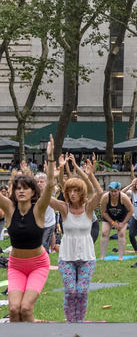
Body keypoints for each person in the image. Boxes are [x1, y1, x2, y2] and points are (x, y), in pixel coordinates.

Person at [0, 138, 59, 322]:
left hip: (38, 265)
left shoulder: (39, 210)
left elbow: (49, 185)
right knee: (14, 310)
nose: (21, 191)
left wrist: (50, 158)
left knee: (25, 309)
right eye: (18, 188)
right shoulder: (9, 209)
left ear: (33, 191)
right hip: (16, 265)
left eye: (25, 188)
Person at [59, 155, 102, 322]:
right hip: (66, 257)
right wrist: (59, 170)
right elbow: (45, 197)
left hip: (87, 258)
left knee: (82, 291)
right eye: (70, 191)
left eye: (76, 190)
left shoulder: (88, 208)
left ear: (82, 192)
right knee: (71, 291)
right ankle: (71, 321)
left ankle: (80, 322)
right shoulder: (64, 208)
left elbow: (99, 193)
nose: (72, 194)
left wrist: (90, 174)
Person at [98, 180, 133, 260]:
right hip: (109, 215)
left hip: (122, 216)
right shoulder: (105, 197)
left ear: (119, 190)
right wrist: (112, 223)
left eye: (115, 191)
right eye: (111, 191)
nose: (113, 193)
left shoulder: (123, 197)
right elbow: (103, 212)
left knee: (121, 234)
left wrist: (123, 223)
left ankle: (120, 257)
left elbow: (131, 210)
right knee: (104, 233)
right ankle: (102, 256)